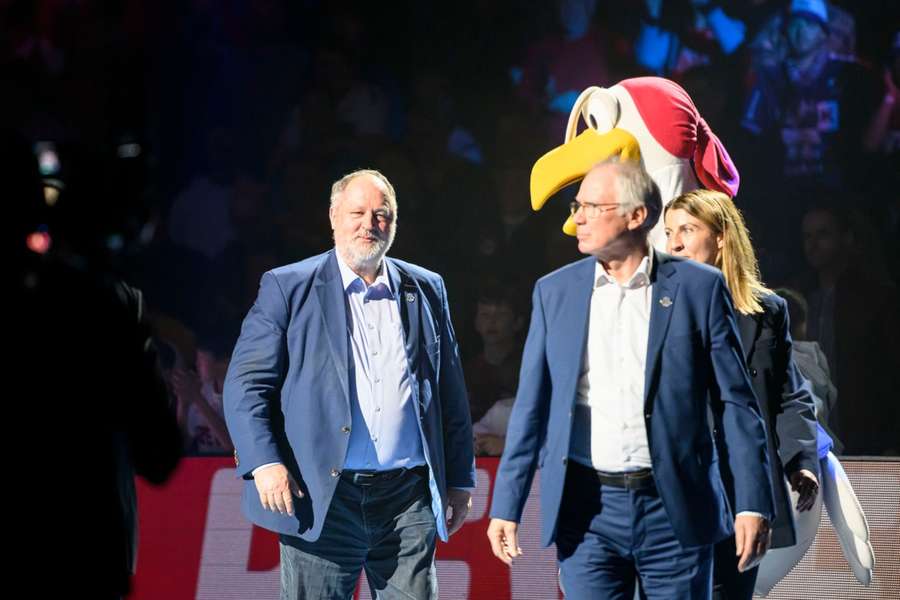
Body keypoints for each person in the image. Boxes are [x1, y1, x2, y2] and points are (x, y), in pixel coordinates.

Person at [487, 160, 774, 599]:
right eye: (575, 205)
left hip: (674, 507)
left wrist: (752, 501)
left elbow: (736, 404)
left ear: (636, 216)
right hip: (586, 512)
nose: (575, 217)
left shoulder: (700, 288)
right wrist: (506, 505)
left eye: (590, 206)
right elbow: (531, 408)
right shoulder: (554, 291)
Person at [223, 169, 475, 599]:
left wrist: (460, 478)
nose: (369, 224)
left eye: (382, 214)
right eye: (357, 212)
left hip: (407, 496)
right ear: (333, 217)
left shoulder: (426, 287)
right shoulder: (288, 286)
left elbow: (449, 390)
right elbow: (246, 385)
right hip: (323, 493)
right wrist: (264, 462)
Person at [664, 189, 819, 600]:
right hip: (676, 487)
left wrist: (799, 461)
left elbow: (788, 394)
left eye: (687, 229)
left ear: (721, 236)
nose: (673, 243)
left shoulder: (768, 311)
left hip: (741, 488)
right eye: (668, 232)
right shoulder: (652, 309)